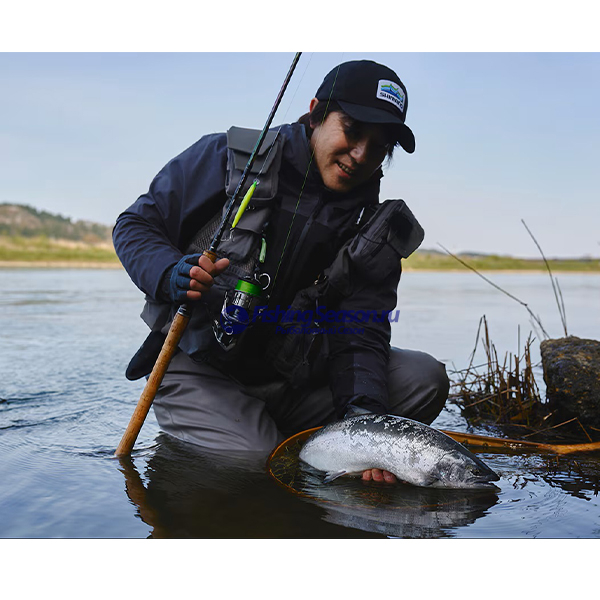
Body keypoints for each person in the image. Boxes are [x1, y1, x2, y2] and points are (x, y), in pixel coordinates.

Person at [113, 59, 450, 483]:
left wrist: (364, 424)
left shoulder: (375, 227)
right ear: (316, 112)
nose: (362, 155)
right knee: (259, 464)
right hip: (200, 366)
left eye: (380, 146)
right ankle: (248, 439)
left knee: (425, 379)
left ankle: (309, 446)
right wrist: (168, 273)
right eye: (352, 130)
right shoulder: (227, 157)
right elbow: (135, 225)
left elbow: (360, 332)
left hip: (293, 381)